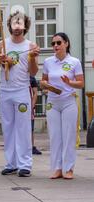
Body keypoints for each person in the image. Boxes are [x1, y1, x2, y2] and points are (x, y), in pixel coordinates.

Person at [0, 11, 40, 177]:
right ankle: (11, 163)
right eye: (14, 23)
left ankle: (25, 164)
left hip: (21, 91)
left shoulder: (30, 46)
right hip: (5, 91)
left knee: (23, 128)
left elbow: (33, 72)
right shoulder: (1, 45)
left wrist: (32, 58)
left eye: (20, 24)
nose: (17, 27)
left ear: (25, 26)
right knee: (8, 127)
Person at [41, 33, 84, 180]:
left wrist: (69, 83)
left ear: (66, 43)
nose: (55, 46)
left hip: (68, 101)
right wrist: (45, 86)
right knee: (55, 136)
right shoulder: (48, 61)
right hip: (52, 102)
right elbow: (44, 81)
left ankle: (69, 168)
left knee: (69, 135)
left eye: (59, 43)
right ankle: (57, 168)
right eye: (53, 43)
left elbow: (81, 83)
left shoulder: (74, 62)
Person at [30, 76, 42, 155]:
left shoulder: (31, 78)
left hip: (29, 106)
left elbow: (35, 93)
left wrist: (32, 105)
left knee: (31, 128)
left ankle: (32, 147)